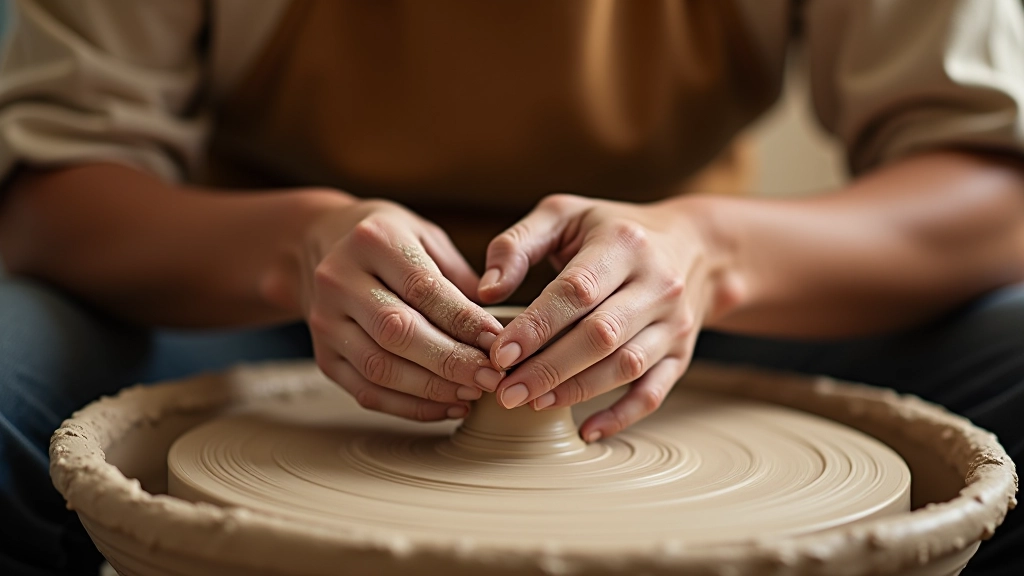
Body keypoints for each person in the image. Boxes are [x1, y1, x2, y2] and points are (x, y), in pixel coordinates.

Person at [0, 1, 1022, 574]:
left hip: (684, 318)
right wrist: (297, 247)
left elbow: (989, 187)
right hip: (273, 309)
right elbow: (51, 198)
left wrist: (712, 254)